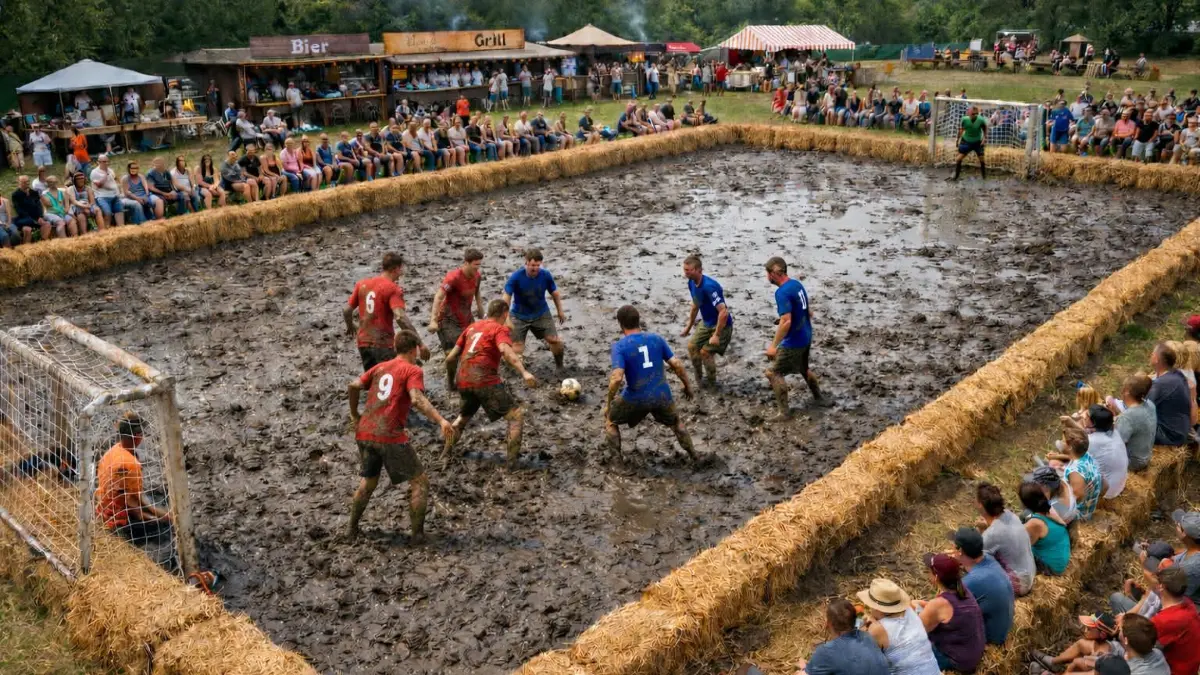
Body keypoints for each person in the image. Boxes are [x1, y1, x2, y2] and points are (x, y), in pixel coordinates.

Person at [346, 331, 454, 544]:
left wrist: (354, 414)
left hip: (365, 431)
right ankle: (418, 535)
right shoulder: (412, 370)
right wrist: (441, 420)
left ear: (395, 348)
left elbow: (353, 385)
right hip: (389, 435)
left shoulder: (380, 367)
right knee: (420, 482)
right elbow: (416, 399)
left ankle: (351, 529)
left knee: (368, 483)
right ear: (414, 349)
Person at [444, 299, 538, 467]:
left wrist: (451, 382)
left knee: (463, 418)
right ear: (504, 314)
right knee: (516, 416)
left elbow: (450, 358)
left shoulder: (471, 328)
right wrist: (524, 372)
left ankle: (446, 452)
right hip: (484, 379)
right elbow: (505, 351)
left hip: (463, 378)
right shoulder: (499, 329)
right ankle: (512, 463)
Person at [604, 305, 696, 459]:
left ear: (620, 324)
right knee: (677, 424)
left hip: (635, 397)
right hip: (661, 395)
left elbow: (617, 378)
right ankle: (694, 456)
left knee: (611, 422)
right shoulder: (657, 339)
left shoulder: (619, 346)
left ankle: (617, 461)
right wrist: (687, 386)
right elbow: (677, 365)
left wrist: (608, 403)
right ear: (638, 321)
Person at [764, 256, 831, 418]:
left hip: (794, 341)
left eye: (767, 273)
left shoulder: (782, 293)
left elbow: (786, 322)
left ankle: (784, 413)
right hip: (806, 335)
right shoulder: (796, 284)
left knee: (773, 373)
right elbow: (808, 311)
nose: (767, 277)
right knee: (803, 368)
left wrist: (773, 346)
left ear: (775, 273)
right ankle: (820, 398)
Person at [97, 413, 174, 553]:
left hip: (103, 508)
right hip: (117, 523)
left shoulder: (113, 451)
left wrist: (158, 512)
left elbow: (132, 497)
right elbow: (136, 511)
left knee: (156, 507)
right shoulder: (130, 464)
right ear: (137, 436)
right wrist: (165, 519)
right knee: (166, 530)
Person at [345, 252, 427, 372]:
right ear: (396, 269)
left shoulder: (362, 284)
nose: (401, 274)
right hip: (383, 344)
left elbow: (346, 311)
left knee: (373, 379)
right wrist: (420, 343)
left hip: (363, 343)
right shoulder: (393, 289)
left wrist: (350, 325)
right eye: (401, 270)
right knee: (392, 377)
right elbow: (400, 318)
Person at [914, 553, 986, 673]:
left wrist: (913, 609)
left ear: (936, 577)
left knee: (910, 656)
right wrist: (922, 604)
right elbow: (944, 612)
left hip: (959, 660)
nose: (927, 574)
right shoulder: (962, 589)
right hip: (973, 652)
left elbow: (917, 632)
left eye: (929, 572)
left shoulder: (939, 604)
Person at [858, 578, 941, 675]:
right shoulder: (910, 608)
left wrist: (864, 627)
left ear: (877, 608)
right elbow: (922, 604)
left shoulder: (877, 629)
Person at [429, 248, 486, 388]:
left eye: (480, 265)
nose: (478, 268)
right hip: (448, 321)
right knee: (452, 356)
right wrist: (433, 320)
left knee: (474, 350)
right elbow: (438, 297)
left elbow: (477, 292)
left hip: (466, 318)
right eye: (476, 265)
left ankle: (469, 379)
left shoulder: (477, 276)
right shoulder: (453, 277)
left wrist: (480, 309)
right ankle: (450, 381)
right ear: (466, 263)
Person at [503, 248, 567, 369]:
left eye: (538, 265)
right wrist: (506, 319)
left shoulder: (545, 275)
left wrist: (560, 311)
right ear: (526, 262)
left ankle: (560, 366)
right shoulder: (516, 277)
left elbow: (555, 294)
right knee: (517, 348)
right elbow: (506, 298)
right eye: (532, 265)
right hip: (519, 315)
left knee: (555, 340)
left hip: (541, 312)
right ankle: (513, 369)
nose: (535, 268)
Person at [952, 527, 1014, 645]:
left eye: (953, 546)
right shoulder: (988, 558)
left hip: (991, 637)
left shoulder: (971, 581)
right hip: (1003, 625)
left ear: (959, 551)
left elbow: (949, 611)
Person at [795, 598, 890, 675]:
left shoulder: (826, 652)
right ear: (854, 621)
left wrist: (804, 669)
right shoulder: (867, 637)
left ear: (828, 624)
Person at [680, 255, 733, 389]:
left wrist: (716, 335)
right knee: (692, 346)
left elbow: (723, 312)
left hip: (722, 325)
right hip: (707, 322)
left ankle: (712, 383)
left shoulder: (710, 287)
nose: (686, 273)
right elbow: (695, 305)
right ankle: (699, 378)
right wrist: (688, 326)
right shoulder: (691, 283)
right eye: (685, 270)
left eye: (689, 270)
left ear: (699, 270)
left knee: (705, 353)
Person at [976, 482, 1036, 596]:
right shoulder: (1010, 515)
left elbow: (976, 559)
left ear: (980, 505)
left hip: (1019, 585)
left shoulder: (991, 534)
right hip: (1030, 572)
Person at [1028, 613, 1120, 674]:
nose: (1084, 630)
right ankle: (1054, 662)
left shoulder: (1103, 660)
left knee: (1079, 665)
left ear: (1103, 635)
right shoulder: (1108, 644)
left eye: (1089, 629)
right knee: (1082, 644)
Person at [1150, 566, 1200, 675]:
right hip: (1191, 666)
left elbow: (1142, 643)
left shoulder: (1164, 621)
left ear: (1161, 587)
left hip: (1176, 671)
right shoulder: (1188, 602)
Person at [1020, 481, 1070, 576]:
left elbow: (1022, 548)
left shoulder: (1035, 523)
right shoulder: (1049, 509)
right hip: (1060, 558)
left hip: (1051, 568)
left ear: (1024, 503)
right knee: (1025, 515)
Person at [1108, 373, 1157, 471]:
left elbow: (1115, 445)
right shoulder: (1150, 404)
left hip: (1133, 462)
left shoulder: (1127, 417)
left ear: (1127, 391)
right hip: (1146, 456)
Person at [1147, 343, 1192, 446]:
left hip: (1169, 436)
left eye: (1152, 353)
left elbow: (1140, 409)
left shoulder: (1161, 384)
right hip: (1180, 431)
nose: (1150, 355)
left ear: (1157, 359)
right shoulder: (1176, 374)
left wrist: (1114, 404)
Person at [1110, 549, 1174, 618]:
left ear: (1153, 575)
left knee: (1115, 598)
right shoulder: (1159, 588)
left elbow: (1143, 616)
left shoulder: (1158, 595)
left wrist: (1123, 618)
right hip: (1144, 614)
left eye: (1146, 570)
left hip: (1142, 622)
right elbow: (1144, 603)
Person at [950, 106, 987, 181]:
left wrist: (984, 138)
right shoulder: (964, 119)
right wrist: (957, 140)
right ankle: (956, 176)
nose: (973, 115)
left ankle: (984, 177)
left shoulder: (981, 120)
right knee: (958, 159)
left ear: (977, 114)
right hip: (966, 141)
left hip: (977, 142)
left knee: (982, 160)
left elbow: (985, 128)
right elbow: (961, 130)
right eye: (971, 113)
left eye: (975, 114)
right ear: (969, 113)